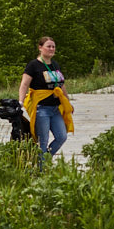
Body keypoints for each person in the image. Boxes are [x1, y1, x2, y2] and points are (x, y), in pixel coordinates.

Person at [19, 36, 74, 165]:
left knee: (61, 136)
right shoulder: (33, 65)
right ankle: (41, 169)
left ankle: (42, 160)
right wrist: (20, 101)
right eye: (48, 46)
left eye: (53, 46)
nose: (51, 49)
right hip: (41, 108)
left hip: (55, 108)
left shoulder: (55, 64)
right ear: (40, 48)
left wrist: (68, 103)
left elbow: (61, 86)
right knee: (43, 140)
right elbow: (24, 84)